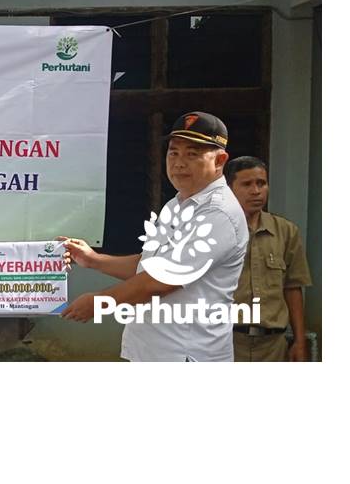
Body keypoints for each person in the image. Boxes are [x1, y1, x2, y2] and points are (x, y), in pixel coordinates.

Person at [61, 112, 249, 361]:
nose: (179, 163)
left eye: (192, 154)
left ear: (220, 160)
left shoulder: (218, 213)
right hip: (150, 351)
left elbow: (161, 280)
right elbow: (148, 266)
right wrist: (93, 260)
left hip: (186, 355)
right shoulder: (177, 204)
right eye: (173, 153)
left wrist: (100, 302)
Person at [225, 156, 313, 361]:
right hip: (228, 342)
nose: (256, 191)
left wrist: (299, 341)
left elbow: (292, 287)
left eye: (261, 183)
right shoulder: (216, 231)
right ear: (229, 189)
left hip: (273, 346)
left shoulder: (286, 231)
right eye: (247, 184)